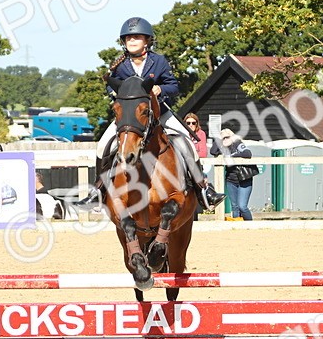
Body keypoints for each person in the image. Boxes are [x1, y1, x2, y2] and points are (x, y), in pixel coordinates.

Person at [73, 17, 225, 210]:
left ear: (147, 40)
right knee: (103, 145)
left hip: (160, 114)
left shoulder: (158, 61)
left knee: (187, 143)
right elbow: (110, 88)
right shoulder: (120, 65)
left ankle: (204, 189)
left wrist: (160, 90)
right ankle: (97, 191)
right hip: (131, 118)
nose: (132, 41)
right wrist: (115, 93)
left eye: (136, 37)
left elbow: (173, 86)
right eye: (128, 38)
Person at [211, 129, 256, 221]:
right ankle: (237, 227)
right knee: (234, 207)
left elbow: (247, 153)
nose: (225, 140)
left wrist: (231, 156)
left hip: (244, 179)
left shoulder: (237, 143)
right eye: (223, 138)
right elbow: (213, 151)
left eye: (227, 137)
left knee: (242, 206)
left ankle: (250, 225)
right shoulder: (222, 147)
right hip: (231, 180)